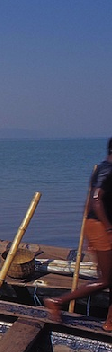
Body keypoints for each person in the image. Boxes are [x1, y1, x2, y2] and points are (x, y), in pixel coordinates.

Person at [45, 138, 112, 332]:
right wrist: (107, 229)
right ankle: (57, 301)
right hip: (101, 227)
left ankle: (109, 323)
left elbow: (90, 202)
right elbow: (96, 199)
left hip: (96, 226)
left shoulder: (102, 168)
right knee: (106, 280)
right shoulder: (108, 170)